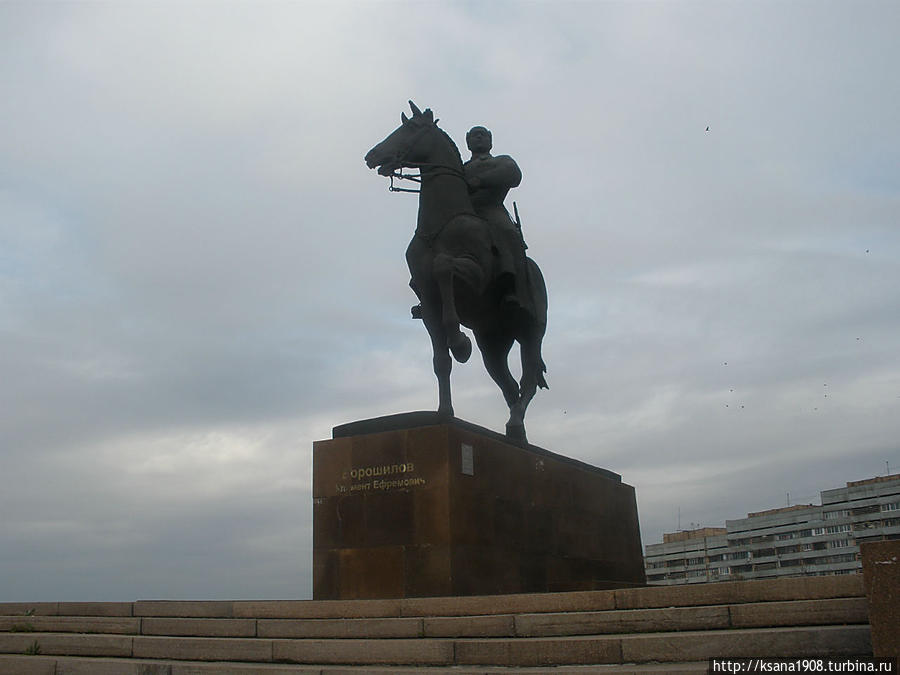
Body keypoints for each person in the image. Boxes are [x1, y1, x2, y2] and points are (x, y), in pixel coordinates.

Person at [463, 126, 531, 315]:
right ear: (467, 141)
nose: (478, 138)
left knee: (505, 231)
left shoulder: (501, 161)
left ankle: (510, 285)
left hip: (490, 209)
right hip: (464, 213)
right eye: (474, 136)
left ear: (490, 141)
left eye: (482, 135)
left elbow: (513, 174)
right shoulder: (460, 168)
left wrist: (478, 181)